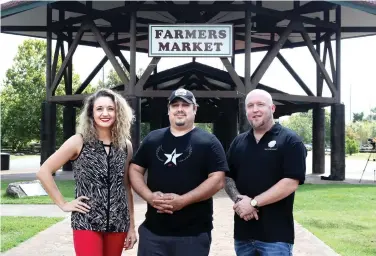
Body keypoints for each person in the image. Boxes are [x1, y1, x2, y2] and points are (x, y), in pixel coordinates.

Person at [37, 88, 137, 256]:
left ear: (118, 112)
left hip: (118, 222)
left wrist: (131, 226)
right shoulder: (79, 141)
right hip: (87, 221)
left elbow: (126, 186)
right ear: (91, 112)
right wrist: (63, 203)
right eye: (99, 109)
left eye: (110, 108)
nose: (105, 113)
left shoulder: (125, 146)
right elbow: (44, 171)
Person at [129, 88, 228, 256]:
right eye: (175, 105)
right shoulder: (153, 139)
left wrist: (183, 201)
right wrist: (149, 196)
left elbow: (218, 180)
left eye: (185, 105)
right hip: (153, 232)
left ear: (195, 109)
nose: (180, 109)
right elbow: (135, 169)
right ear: (169, 110)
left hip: (193, 234)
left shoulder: (209, 142)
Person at [224, 89, 307, 256]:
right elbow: (227, 177)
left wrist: (253, 203)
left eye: (260, 104)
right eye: (250, 106)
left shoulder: (290, 141)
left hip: (276, 237)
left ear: (273, 108)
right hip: (243, 234)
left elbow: (291, 182)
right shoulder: (238, 142)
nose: (255, 110)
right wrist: (240, 202)